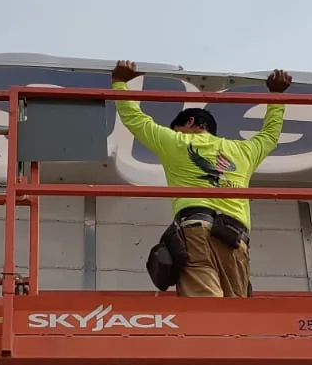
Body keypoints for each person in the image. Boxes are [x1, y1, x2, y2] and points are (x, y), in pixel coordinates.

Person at [112, 60, 293, 297]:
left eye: (177, 127)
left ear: (189, 123)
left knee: (205, 310)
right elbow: (270, 135)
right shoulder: (245, 151)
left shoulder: (177, 142)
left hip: (195, 231)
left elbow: (135, 119)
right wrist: (277, 94)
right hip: (235, 239)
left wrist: (119, 82)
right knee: (235, 317)